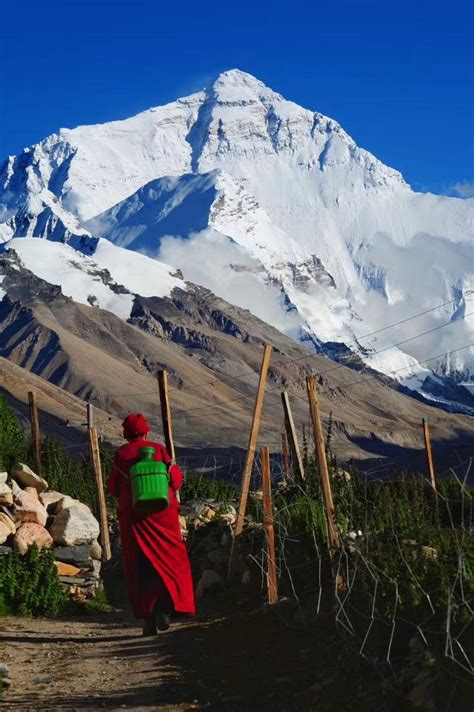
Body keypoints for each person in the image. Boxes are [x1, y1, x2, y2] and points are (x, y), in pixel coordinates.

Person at [108, 413, 195, 635]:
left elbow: (113, 488)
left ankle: (148, 619)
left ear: (126, 434)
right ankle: (168, 607)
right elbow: (176, 481)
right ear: (147, 431)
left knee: (140, 566)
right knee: (172, 560)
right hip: (163, 515)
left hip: (134, 518)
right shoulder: (160, 451)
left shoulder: (121, 454)